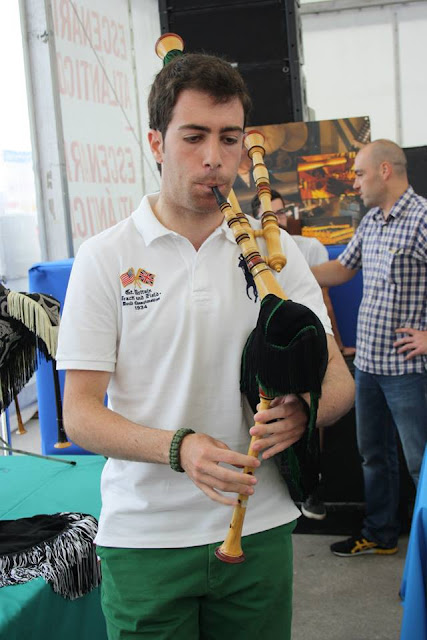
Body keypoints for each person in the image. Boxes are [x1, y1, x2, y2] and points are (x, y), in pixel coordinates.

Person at [56, 51, 354, 640]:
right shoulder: (105, 256)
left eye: (229, 138)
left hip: (259, 526)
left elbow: (338, 381)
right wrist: (180, 448)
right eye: (193, 137)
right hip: (146, 538)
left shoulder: (276, 253)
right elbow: (80, 414)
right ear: (156, 143)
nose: (214, 157)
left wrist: (305, 409)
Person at [311, 139, 427, 557]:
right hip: (369, 366)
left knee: (420, 463)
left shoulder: (422, 219)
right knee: (373, 456)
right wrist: (284, 271)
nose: (355, 183)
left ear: (385, 171)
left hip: (409, 371)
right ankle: (380, 534)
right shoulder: (372, 222)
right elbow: (342, 270)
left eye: (359, 173)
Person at [252, 189, 356, 521]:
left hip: (305, 342)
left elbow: (323, 303)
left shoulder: (304, 247)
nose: (277, 219)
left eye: (281, 212)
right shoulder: (251, 244)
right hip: (269, 344)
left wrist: (338, 346)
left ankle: (310, 480)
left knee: (309, 403)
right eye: (269, 214)